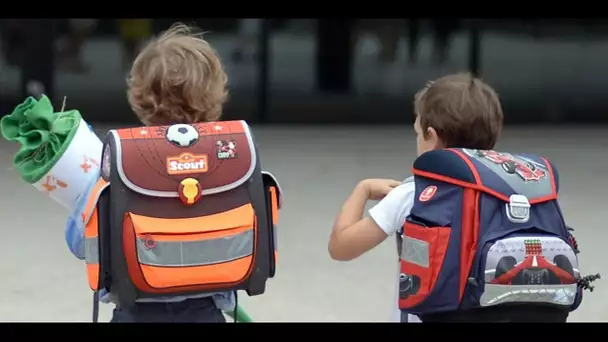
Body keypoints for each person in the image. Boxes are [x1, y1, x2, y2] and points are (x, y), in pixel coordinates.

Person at [328, 72, 589, 322]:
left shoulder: (417, 193)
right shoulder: (521, 190)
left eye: (418, 133)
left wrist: (361, 190)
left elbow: (341, 247)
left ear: (431, 136)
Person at [65, 23, 280, 323]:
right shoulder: (232, 161)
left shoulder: (121, 162)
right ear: (216, 97)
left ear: (138, 98)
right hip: (207, 312)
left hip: (135, 312)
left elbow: (79, 243)